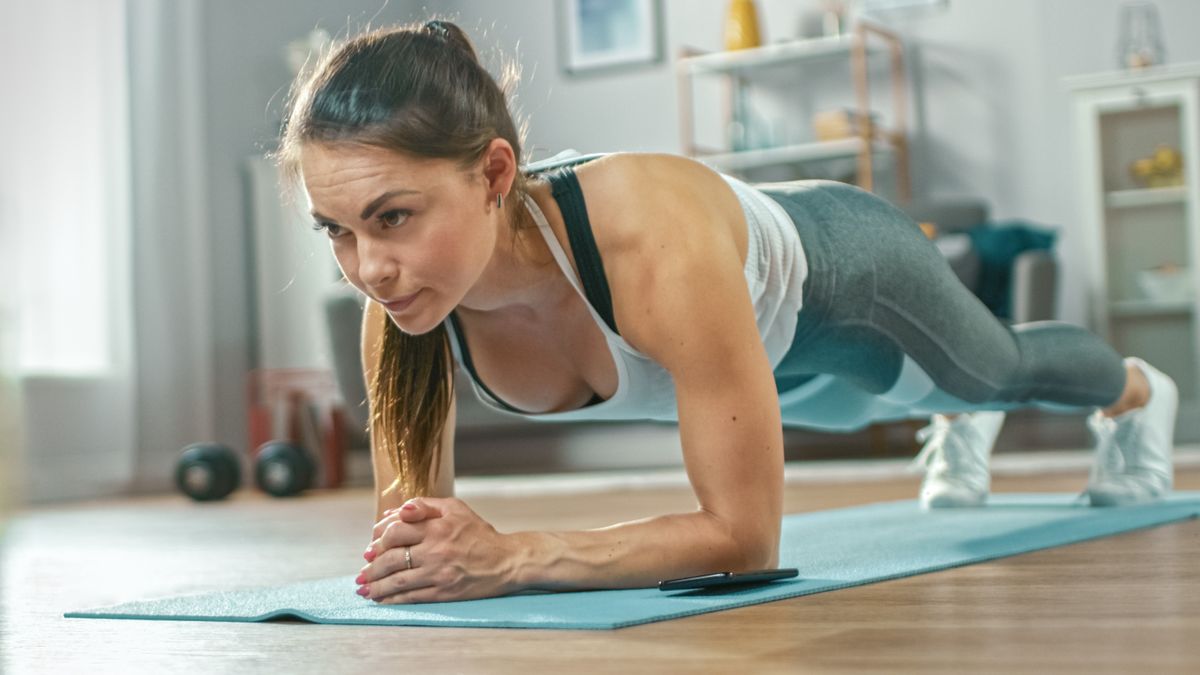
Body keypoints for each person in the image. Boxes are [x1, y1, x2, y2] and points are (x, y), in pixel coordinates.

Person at [273, 20, 1177, 605]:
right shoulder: (401, 310)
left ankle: (1137, 395)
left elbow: (745, 541)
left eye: (392, 217)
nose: (368, 269)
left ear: (496, 175)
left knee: (994, 373)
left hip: (847, 285)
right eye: (336, 231)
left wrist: (513, 555)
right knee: (880, 405)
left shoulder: (645, 237)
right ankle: (946, 415)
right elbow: (412, 555)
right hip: (767, 376)